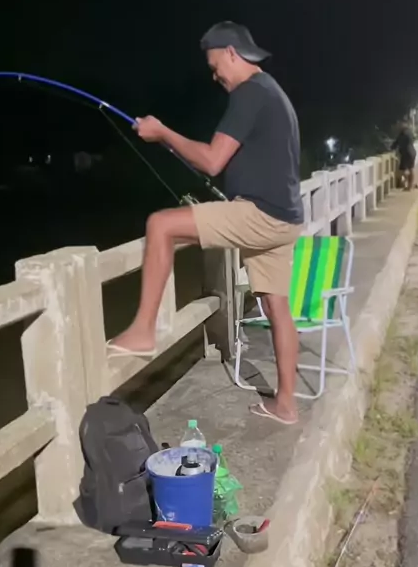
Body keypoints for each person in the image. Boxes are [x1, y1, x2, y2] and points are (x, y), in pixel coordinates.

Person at [108, 21, 304, 425]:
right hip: (286, 217)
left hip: (260, 215)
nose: (215, 77)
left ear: (232, 53)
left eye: (216, 67)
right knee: (276, 306)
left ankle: (143, 331)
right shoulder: (274, 92)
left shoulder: (250, 92)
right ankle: (286, 404)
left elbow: (213, 161)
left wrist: (162, 133)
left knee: (160, 225)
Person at [392, 121, 417, 191]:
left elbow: (398, 143)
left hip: (407, 153)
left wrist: (392, 148)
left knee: (405, 170)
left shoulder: (404, 134)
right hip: (411, 152)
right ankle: (410, 185)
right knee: (410, 169)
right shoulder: (409, 132)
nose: (398, 126)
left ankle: (408, 185)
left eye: (400, 125)